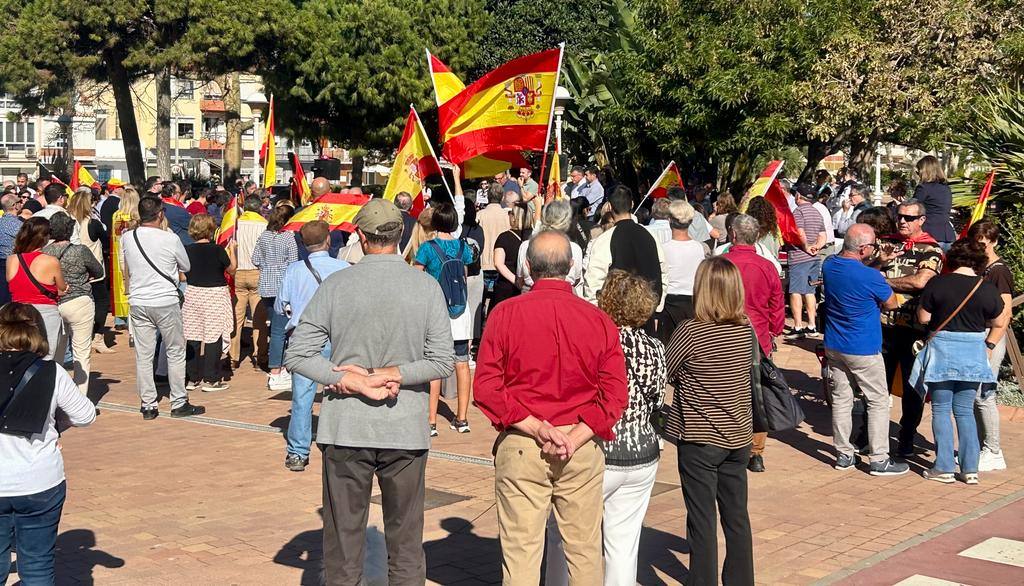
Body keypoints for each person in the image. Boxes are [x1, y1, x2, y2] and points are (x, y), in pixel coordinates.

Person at [284, 198, 454, 585]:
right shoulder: (425, 287)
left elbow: (298, 353)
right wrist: (393, 374)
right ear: (402, 235)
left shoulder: (337, 285)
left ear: (360, 237)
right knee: (406, 544)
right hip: (404, 427)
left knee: (343, 547)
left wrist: (351, 379)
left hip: (347, 426)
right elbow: (443, 361)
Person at [474, 230, 628, 585]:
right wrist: (575, 436)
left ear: (528, 266)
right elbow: (615, 394)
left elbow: (487, 387)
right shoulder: (597, 319)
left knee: (521, 555)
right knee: (584, 552)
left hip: (523, 443)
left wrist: (535, 426)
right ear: (572, 266)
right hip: (579, 444)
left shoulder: (505, 313)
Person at [662, 256, 755, 585]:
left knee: (701, 521)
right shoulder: (746, 330)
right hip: (738, 435)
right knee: (737, 518)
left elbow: (665, 371)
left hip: (699, 437)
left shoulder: (690, 331)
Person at [0, 303, 96, 585]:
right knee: (38, 565)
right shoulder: (51, 371)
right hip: (39, 480)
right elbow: (86, 415)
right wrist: (54, 423)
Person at [911, 239, 1006, 484]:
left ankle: (943, 466)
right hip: (973, 352)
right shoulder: (986, 288)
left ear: (952, 258)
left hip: (942, 350)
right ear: (979, 261)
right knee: (964, 411)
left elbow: (924, 318)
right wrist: (989, 345)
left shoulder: (938, 283)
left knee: (941, 409)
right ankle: (970, 468)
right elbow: (999, 322)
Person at [596, 270, 666, 585]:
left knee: (567, 532)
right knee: (624, 543)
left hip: (602, 449)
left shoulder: (599, 342)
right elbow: (657, 397)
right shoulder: (654, 347)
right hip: (642, 449)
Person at [821, 224, 909, 475]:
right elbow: (891, 303)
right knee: (878, 400)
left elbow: (855, 273)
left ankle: (844, 454)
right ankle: (879, 458)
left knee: (842, 399)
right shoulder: (871, 277)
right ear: (863, 249)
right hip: (863, 347)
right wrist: (879, 268)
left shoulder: (829, 265)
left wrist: (878, 262)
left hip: (834, 344)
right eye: (873, 245)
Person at [120, 196, 204, 420]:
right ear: (159, 214)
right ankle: (178, 401)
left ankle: (148, 404)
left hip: (139, 301)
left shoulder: (128, 237)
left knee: (144, 355)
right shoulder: (170, 238)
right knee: (175, 351)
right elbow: (185, 265)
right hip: (165, 300)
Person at [276, 220, 350, 472]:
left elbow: (281, 305)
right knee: (340, 390)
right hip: (336, 336)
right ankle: (340, 444)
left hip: (303, 336)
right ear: (328, 240)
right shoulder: (343, 268)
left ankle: (298, 452)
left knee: (302, 396)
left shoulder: (294, 270)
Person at [722, 214, 785, 473]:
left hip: (724, 337)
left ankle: (729, 443)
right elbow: (776, 304)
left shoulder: (720, 264)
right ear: (757, 237)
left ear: (733, 234)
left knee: (726, 393)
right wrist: (774, 331)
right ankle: (755, 451)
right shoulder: (766, 266)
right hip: (757, 338)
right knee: (757, 395)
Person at [880, 198, 942, 457]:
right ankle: (871, 434)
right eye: (899, 216)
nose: (902, 221)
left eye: (909, 217)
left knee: (912, 388)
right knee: (877, 385)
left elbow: (920, 282)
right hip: (883, 326)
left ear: (921, 220)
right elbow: (865, 271)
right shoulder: (887, 243)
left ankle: (906, 437)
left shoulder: (931, 249)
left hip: (913, 331)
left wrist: (883, 280)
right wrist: (877, 269)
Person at [414, 201, 475, 435]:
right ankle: (462, 418)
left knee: (435, 364)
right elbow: (465, 271)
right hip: (460, 310)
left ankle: (431, 421)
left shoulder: (427, 248)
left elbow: (417, 278)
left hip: (436, 311)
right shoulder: (463, 247)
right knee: (462, 363)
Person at [968, 220, 1014, 471]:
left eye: (983, 243)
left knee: (984, 393)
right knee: (974, 395)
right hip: (976, 332)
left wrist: (990, 343)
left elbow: (1005, 312)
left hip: (989, 335)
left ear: (994, 242)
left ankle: (993, 450)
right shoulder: (977, 267)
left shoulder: (998, 271)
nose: (979, 247)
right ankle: (979, 447)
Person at [584, 186, 667, 321]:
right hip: (647, 315)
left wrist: (596, 316)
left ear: (610, 206)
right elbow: (663, 272)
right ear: (632, 204)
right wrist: (657, 308)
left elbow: (593, 282)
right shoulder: (650, 236)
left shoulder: (604, 240)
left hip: (615, 318)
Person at [41, 214, 103, 395]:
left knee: (56, 352)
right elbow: (98, 271)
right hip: (79, 301)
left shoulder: (45, 252)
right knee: (81, 352)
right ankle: (80, 397)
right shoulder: (80, 250)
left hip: (55, 303)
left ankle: (55, 394)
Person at [182, 214, 236, 393]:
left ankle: (192, 378)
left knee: (193, 334)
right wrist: (233, 251)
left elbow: (182, 275)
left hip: (193, 293)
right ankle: (210, 378)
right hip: (215, 293)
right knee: (214, 335)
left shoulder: (187, 250)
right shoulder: (217, 250)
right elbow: (232, 270)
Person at [252, 205, 298, 391]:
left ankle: (281, 367)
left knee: (276, 328)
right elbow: (293, 263)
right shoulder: (288, 237)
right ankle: (277, 371)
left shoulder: (264, 235)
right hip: (283, 286)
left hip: (266, 285)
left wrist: (267, 266)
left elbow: (255, 259)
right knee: (281, 330)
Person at [6, 218, 66, 360]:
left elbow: (13, 284)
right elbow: (62, 289)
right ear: (44, 237)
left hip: (19, 313)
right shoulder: (51, 261)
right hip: (46, 312)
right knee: (47, 357)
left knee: (21, 356)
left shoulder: (12, 260)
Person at [657, 201, 710, 346]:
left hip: (669, 304)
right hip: (693, 304)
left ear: (670, 220)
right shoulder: (699, 248)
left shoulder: (663, 248)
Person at [67, 191, 111, 354]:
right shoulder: (92, 224)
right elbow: (106, 242)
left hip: (71, 270)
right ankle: (97, 337)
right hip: (93, 271)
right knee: (101, 302)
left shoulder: (67, 222)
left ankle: (79, 338)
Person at [230, 195, 269, 369]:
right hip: (257, 272)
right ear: (259, 208)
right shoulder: (264, 226)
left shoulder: (235, 225)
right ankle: (260, 357)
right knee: (259, 319)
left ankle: (232, 357)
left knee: (236, 318)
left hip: (237, 272)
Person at [516, 200, 585, 295]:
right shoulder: (575, 249)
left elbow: (520, 280)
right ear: (566, 221)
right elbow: (576, 279)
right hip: (563, 295)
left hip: (532, 293)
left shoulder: (525, 245)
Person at [786, 184, 827, 338]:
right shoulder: (817, 212)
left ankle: (798, 326)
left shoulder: (798, 212)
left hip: (799, 257)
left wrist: (806, 246)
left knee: (795, 291)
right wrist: (816, 247)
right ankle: (811, 325)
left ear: (798, 196)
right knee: (810, 291)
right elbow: (823, 235)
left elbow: (800, 232)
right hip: (814, 258)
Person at [477, 183, 511, 314]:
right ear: (502, 197)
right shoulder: (507, 216)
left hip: (484, 263)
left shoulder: (480, 215)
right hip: (501, 264)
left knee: (481, 302)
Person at [913, 155, 955, 250]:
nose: (918, 174)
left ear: (924, 171)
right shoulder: (945, 188)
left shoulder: (923, 188)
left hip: (929, 235)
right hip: (947, 235)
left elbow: (912, 209)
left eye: (918, 171)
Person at [491, 206, 525, 308]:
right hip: (527, 286)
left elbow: (498, 263)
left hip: (506, 287)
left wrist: (516, 281)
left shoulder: (504, 237)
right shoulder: (532, 236)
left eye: (510, 213)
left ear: (514, 217)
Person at [0, 194, 25, 305]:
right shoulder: (18, 225)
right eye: (20, 201)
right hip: (14, 263)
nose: (22, 203)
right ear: (15, 205)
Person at [159, 182, 194, 246]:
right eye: (179, 193)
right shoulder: (178, 210)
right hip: (181, 244)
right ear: (173, 194)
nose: (180, 195)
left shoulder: (158, 206)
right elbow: (193, 226)